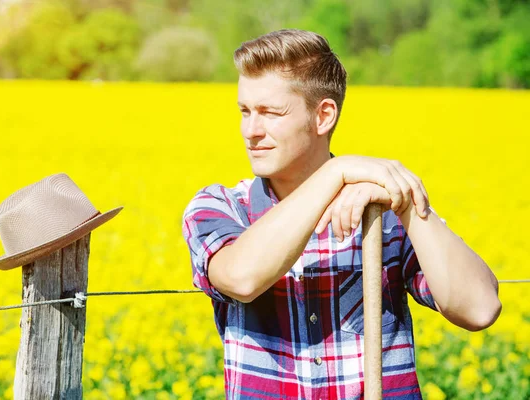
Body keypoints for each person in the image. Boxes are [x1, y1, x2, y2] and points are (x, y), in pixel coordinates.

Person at [181, 29, 501, 400]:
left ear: (324, 116)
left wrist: (407, 204)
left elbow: (479, 310)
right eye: (245, 112)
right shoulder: (220, 206)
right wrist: (338, 171)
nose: (251, 131)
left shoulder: (382, 213)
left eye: (270, 113)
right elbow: (241, 278)